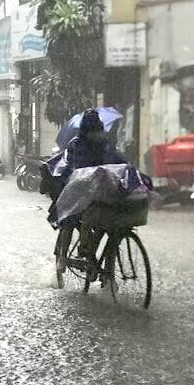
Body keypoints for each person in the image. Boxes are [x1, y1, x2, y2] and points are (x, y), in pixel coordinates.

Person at [41, 109, 129, 268]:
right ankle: (65, 256)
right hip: (79, 190)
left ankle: (96, 260)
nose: (97, 133)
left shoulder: (102, 143)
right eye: (94, 129)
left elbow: (117, 159)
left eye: (98, 128)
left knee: (101, 219)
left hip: (99, 189)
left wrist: (126, 168)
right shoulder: (78, 144)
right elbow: (79, 169)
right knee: (70, 218)